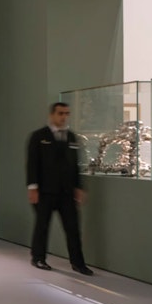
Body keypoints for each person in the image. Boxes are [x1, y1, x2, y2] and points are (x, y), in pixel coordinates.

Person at [26, 102, 93, 275]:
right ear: (52, 115)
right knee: (42, 226)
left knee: (73, 228)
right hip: (45, 191)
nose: (64, 117)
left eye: (67, 113)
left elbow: (75, 165)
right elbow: (32, 164)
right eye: (60, 113)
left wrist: (78, 187)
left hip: (67, 192)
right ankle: (38, 258)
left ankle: (78, 263)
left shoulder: (71, 137)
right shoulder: (39, 136)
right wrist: (32, 187)